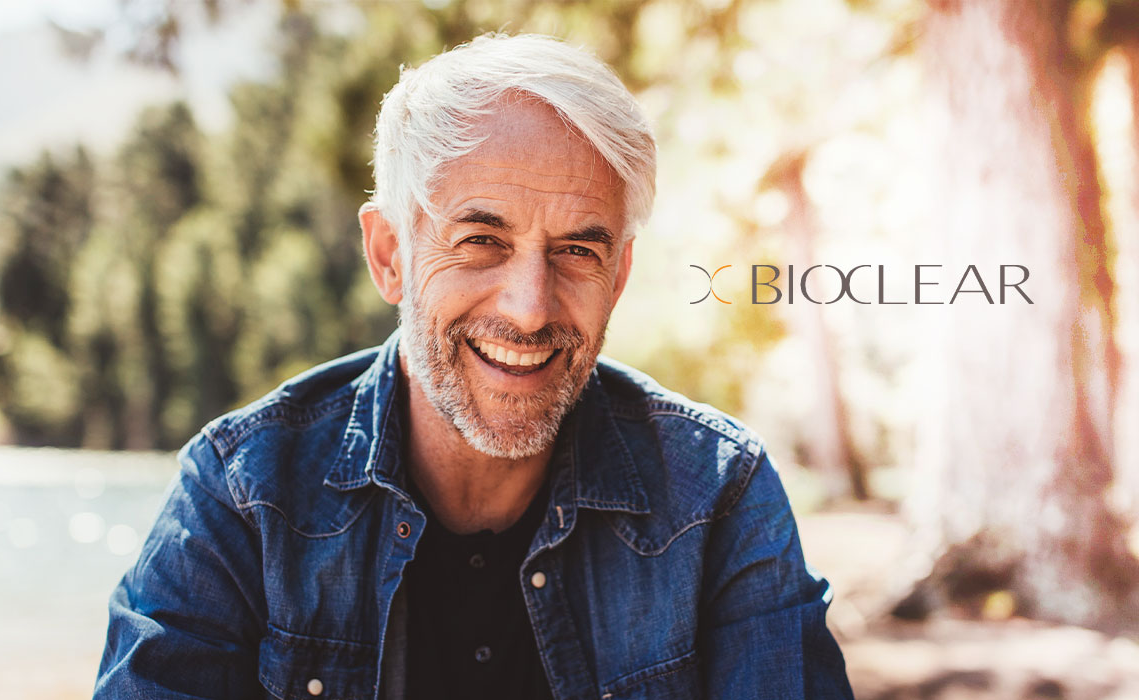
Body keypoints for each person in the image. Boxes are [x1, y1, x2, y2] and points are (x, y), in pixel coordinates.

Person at [95, 33, 852, 700]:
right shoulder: (243, 495)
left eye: (577, 251)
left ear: (617, 278)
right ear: (390, 255)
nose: (529, 308)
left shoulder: (719, 495)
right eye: (480, 241)